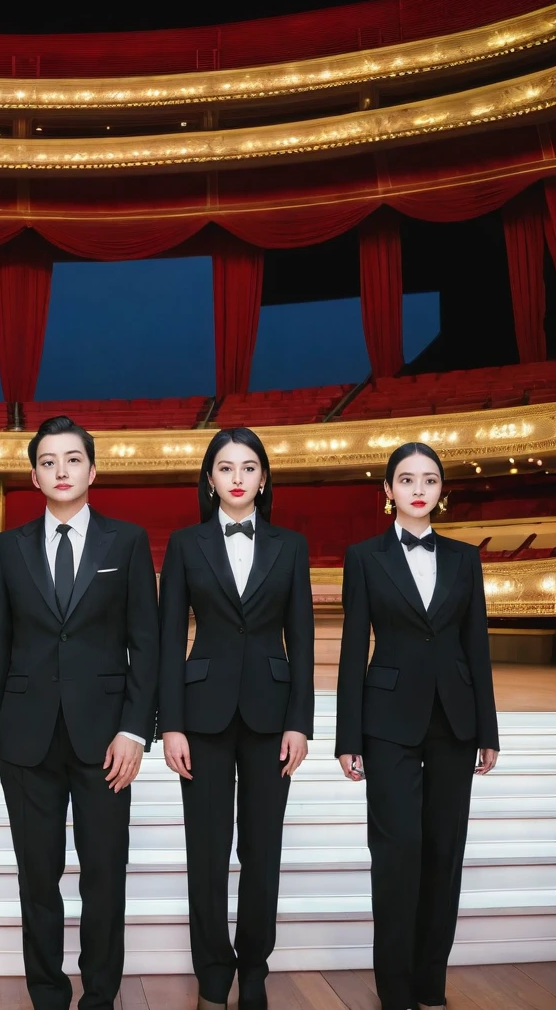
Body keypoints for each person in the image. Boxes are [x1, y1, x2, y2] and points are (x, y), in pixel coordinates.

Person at [0, 415, 159, 1010]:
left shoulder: (125, 542)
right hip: (25, 738)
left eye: (72, 459)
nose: (61, 470)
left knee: (105, 876)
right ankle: (47, 995)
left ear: (92, 470)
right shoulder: (8, 547)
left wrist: (135, 729)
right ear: (33, 475)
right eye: (48, 461)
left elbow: (146, 644)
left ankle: (100, 994)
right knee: (38, 878)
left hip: (106, 740)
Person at [335, 442, 499, 1010]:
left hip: (456, 720)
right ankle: (396, 989)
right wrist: (347, 737)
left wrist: (489, 731)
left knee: (444, 850)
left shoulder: (465, 558)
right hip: (386, 722)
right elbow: (354, 649)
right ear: (388, 492)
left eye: (429, 479)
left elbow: (476, 646)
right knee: (397, 849)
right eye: (406, 479)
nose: (419, 489)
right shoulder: (363, 557)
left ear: (441, 491)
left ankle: (431, 982)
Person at [158, 426, 314, 1010]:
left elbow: (301, 637)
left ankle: (254, 972)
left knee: (262, 852)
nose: (238, 478)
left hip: (274, 719)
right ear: (210, 479)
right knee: (207, 853)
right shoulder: (183, 543)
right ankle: (212, 978)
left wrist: (300, 722)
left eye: (249, 468)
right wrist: (169, 723)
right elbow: (170, 638)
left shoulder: (290, 546)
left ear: (264, 478)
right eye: (226, 468)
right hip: (200, 718)